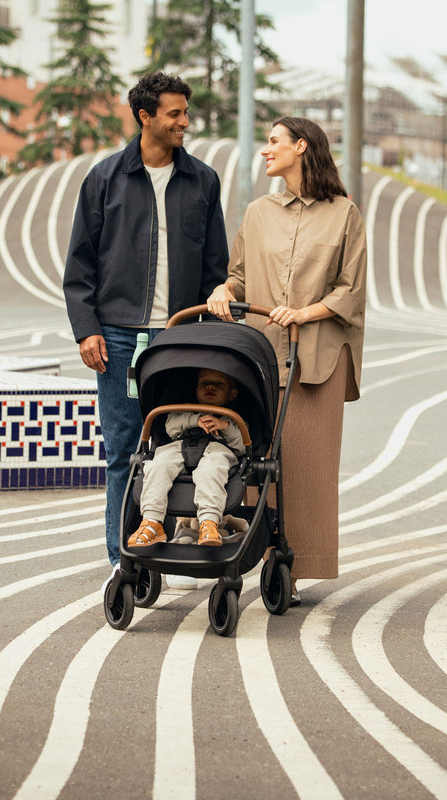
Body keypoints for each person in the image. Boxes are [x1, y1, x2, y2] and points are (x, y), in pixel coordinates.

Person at [63, 72, 229, 588]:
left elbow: (215, 267)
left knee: (184, 443)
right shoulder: (105, 179)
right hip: (116, 336)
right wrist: (86, 328)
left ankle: (171, 538)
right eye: (175, 113)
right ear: (145, 116)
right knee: (122, 448)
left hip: (181, 337)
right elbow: (81, 263)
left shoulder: (202, 180)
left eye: (185, 113)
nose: (185, 122)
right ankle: (122, 557)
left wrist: (207, 335)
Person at [206, 116, 367, 606]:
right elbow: (237, 276)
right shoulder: (257, 212)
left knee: (307, 466)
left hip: (317, 358)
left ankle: (295, 565)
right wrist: (221, 290)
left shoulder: (344, 214)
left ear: (301, 146)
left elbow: (351, 290)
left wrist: (304, 312)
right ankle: (264, 555)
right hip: (261, 358)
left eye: (273, 141)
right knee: (262, 463)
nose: (264, 150)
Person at [128, 368, 244, 548]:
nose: (211, 386)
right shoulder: (182, 411)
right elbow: (170, 427)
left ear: (233, 393)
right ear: (195, 390)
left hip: (217, 450)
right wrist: (194, 420)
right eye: (204, 383)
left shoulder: (235, 419)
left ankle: (208, 523)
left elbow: (242, 445)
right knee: (157, 465)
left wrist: (225, 426)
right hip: (180, 446)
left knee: (211, 471)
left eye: (219, 384)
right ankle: (152, 522)